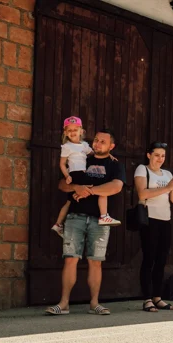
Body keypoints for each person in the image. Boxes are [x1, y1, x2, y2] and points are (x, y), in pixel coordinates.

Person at [45, 130, 126, 316]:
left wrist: (88, 190)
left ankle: (94, 303)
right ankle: (64, 303)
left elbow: (116, 187)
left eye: (103, 142)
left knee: (95, 262)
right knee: (70, 259)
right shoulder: (80, 158)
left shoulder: (115, 164)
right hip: (75, 216)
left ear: (111, 146)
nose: (97, 144)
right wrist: (76, 187)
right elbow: (62, 184)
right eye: (96, 140)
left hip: (100, 220)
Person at [134, 142, 173, 312]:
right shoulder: (142, 169)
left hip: (165, 220)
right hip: (149, 219)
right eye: (156, 155)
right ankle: (147, 299)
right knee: (149, 258)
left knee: (161, 260)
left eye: (163, 156)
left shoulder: (168, 174)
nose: (160, 159)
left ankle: (157, 297)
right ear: (149, 155)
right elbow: (142, 193)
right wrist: (168, 187)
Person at [51, 116, 119, 235]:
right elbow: (62, 164)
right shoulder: (66, 146)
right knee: (102, 187)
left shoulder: (84, 145)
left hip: (80, 174)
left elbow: (92, 153)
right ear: (65, 132)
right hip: (75, 174)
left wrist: (109, 156)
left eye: (75, 130)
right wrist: (68, 177)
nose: (72, 133)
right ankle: (104, 216)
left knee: (69, 201)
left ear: (81, 131)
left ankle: (58, 224)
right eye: (69, 130)